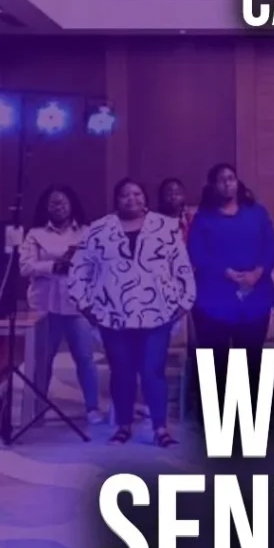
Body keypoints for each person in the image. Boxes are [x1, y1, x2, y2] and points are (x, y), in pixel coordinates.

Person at [69, 178, 195, 447]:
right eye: (125, 195)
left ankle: (160, 428)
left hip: (158, 312)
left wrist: (185, 300)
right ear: (116, 200)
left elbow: (181, 265)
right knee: (122, 371)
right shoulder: (99, 229)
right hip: (112, 314)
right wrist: (85, 304)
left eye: (137, 193)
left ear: (145, 197)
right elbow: (80, 268)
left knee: (152, 370)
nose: (131, 199)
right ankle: (123, 426)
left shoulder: (165, 226)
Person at [188, 163, 274, 410]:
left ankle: (250, 415)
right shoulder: (203, 218)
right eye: (221, 179)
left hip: (254, 296)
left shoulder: (257, 213)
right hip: (213, 299)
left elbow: (271, 246)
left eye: (231, 178)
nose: (227, 183)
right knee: (214, 362)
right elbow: (196, 252)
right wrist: (224, 271)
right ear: (212, 186)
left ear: (238, 182)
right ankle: (216, 415)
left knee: (250, 360)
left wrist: (258, 272)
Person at [18, 185, 102, 424]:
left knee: (85, 359)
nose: (59, 207)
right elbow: (25, 267)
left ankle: (92, 408)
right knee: (43, 361)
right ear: (46, 207)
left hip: (77, 306)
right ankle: (37, 408)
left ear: (72, 204)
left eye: (63, 202)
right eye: (54, 203)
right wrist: (54, 266)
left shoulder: (86, 232)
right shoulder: (35, 234)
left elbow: (98, 266)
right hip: (45, 307)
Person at [157, 177, 197, 242]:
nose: (173, 197)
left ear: (184, 196)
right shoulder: (155, 221)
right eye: (169, 194)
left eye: (177, 193)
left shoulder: (193, 217)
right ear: (161, 197)